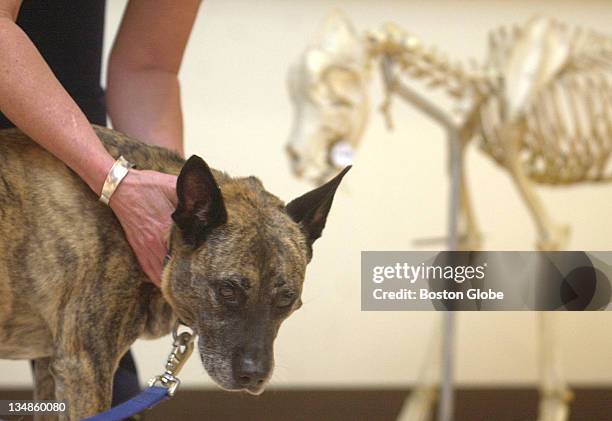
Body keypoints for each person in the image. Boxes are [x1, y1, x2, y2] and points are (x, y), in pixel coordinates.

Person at [0, 0, 202, 411]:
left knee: (113, 404)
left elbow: (148, 68)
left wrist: (172, 213)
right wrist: (113, 179)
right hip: (64, 164)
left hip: (76, 160)